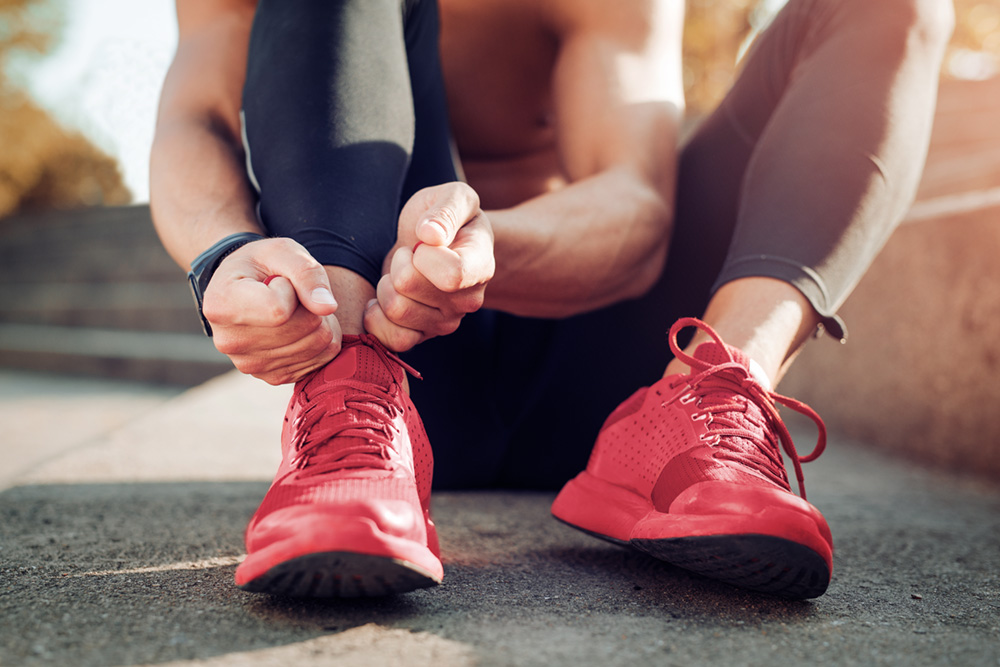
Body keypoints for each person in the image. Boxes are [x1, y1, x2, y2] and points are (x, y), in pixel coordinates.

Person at [150, 0, 952, 599]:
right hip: (400, 368)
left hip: (599, 354)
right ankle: (347, 411)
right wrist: (222, 251)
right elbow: (195, 117)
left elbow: (637, 199)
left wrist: (484, 246)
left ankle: (715, 394)